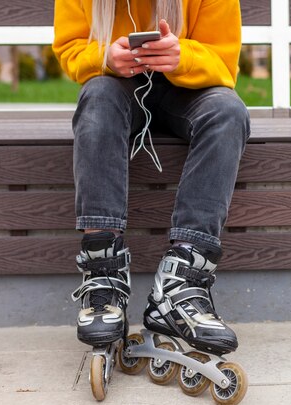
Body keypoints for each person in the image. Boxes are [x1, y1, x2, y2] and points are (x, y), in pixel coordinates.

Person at [53, 0, 249, 356]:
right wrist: (105, 59)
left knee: (228, 112)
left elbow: (225, 64)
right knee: (96, 98)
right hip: (115, 87)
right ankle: (103, 274)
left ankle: (183, 282)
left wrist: (182, 56)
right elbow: (70, 49)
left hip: (189, 92)